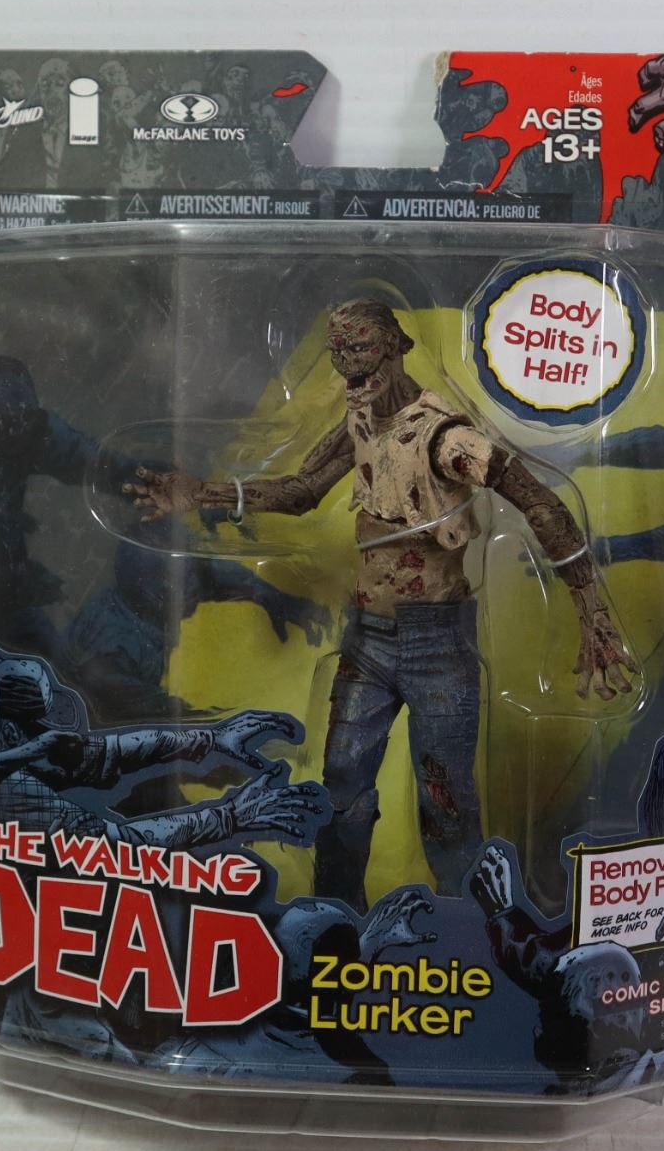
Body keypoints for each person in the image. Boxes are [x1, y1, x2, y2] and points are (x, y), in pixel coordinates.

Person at [127, 299, 635, 909]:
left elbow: (541, 503)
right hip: (367, 641)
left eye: (361, 347)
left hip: (438, 645)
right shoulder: (361, 423)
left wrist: (593, 614)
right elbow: (301, 491)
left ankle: (467, 924)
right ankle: (335, 919)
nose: (347, 363)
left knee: (446, 799)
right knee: (341, 784)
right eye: (337, 350)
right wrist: (202, 495)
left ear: (396, 347)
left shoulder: (445, 437)